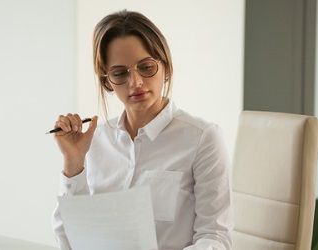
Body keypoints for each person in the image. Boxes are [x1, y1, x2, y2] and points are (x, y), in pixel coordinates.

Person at [51, 10, 232, 250]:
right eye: (119, 73)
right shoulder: (95, 141)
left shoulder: (203, 138)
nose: (135, 82)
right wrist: (73, 164)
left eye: (146, 67)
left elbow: (216, 238)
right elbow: (70, 241)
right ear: (107, 81)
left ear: (164, 66)